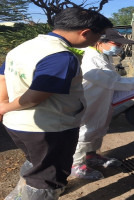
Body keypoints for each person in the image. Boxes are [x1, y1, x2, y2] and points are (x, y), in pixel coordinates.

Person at [0, 7, 113, 200]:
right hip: (49, 127)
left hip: (17, 124)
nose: (98, 41)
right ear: (85, 32)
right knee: (47, 179)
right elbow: (36, 95)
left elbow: (3, 75)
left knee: (37, 162)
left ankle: (21, 194)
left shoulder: (24, 46)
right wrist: (5, 106)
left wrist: (3, 103)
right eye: (99, 35)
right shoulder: (61, 56)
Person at [71, 28, 134, 180]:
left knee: (99, 129)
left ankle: (91, 156)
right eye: (116, 43)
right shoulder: (90, 58)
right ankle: (76, 165)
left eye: (120, 44)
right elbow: (114, 81)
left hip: (103, 99)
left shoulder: (102, 55)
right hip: (90, 100)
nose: (119, 47)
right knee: (85, 133)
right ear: (100, 41)